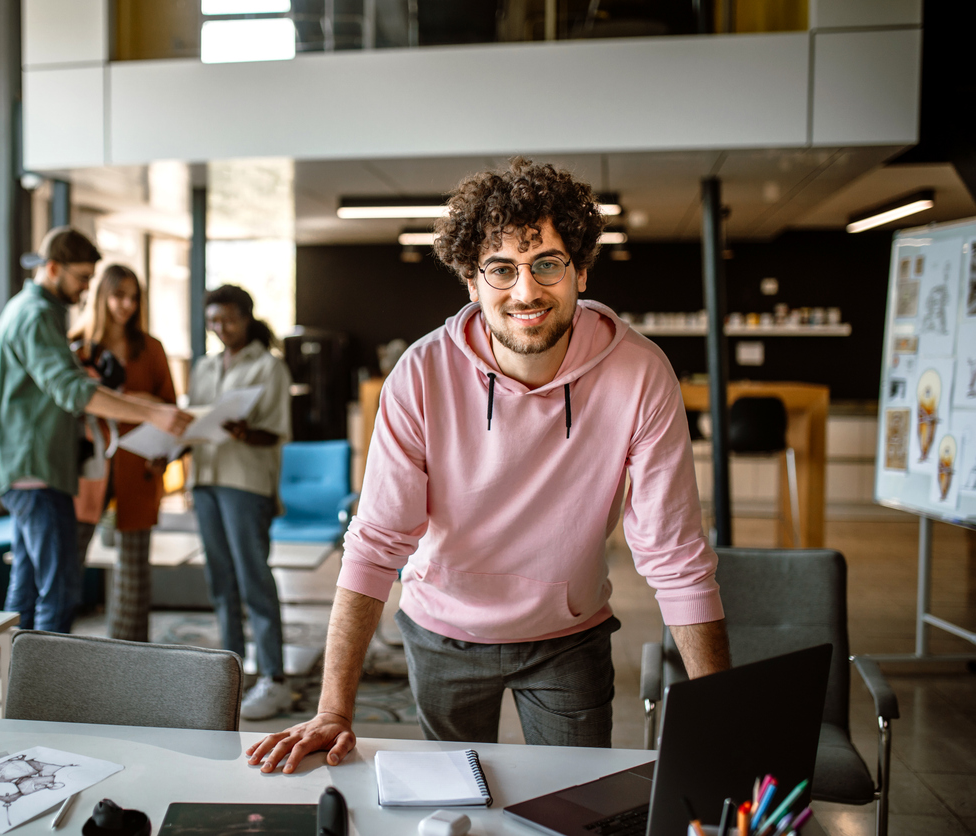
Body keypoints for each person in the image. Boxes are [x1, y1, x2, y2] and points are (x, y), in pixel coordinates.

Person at [247, 158, 730, 774]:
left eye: (547, 264)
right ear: (472, 282)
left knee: (577, 810)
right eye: (501, 269)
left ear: (580, 270)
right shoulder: (420, 376)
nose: (524, 291)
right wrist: (334, 712)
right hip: (442, 632)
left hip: (568, 636)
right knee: (456, 806)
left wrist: (721, 719)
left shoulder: (640, 373)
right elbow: (376, 541)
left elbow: (675, 555)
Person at [0, 227, 192, 634]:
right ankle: (42, 693)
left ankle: (18, 689)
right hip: (36, 471)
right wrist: (150, 415)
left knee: (27, 588)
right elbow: (73, 392)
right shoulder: (37, 314)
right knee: (59, 591)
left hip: (33, 470)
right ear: (52, 268)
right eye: (81, 278)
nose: (85, 289)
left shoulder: (32, 309)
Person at [187, 284, 293, 720]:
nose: (220, 328)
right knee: (220, 580)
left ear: (246, 318)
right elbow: (194, 422)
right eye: (213, 320)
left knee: (253, 580)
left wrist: (242, 431)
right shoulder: (204, 366)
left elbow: (277, 431)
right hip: (205, 480)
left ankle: (274, 677)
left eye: (228, 319)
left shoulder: (269, 368)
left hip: (245, 483)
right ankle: (231, 670)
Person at [69, 263, 178, 642]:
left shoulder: (151, 349)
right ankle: (54, 650)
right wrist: (137, 400)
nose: (126, 305)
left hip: (141, 466)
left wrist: (130, 405)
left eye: (134, 297)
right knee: (70, 562)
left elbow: (170, 410)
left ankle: (130, 655)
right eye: (118, 295)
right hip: (86, 468)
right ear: (101, 296)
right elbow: (72, 403)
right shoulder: (76, 346)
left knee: (134, 571)